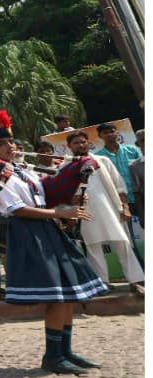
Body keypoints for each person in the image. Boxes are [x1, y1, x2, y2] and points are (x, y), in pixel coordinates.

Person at [0, 112, 106, 377]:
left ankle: (65, 350)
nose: (11, 147)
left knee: (67, 291)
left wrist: (70, 200)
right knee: (56, 294)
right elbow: (17, 209)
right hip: (28, 232)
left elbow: (45, 196)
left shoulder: (23, 170)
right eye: (3, 144)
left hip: (47, 228)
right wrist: (59, 214)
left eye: (12, 142)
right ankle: (52, 356)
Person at [67, 131, 144, 293]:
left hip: (111, 209)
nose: (80, 145)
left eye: (83, 142)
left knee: (123, 243)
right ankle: (102, 282)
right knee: (93, 248)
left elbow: (119, 186)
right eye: (76, 143)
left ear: (89, 143)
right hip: (85, 213)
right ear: (69, 146)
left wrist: (125, 206)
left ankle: (136, 280)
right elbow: (65, 194)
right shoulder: (66, 166)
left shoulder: (103, 160)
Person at [95, 122, 143, 216]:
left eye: (112, 131)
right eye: (105, 132)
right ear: (100, 136)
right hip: (118, 201)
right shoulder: (98, 157)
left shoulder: (132, 150)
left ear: (117, 133)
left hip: (141, 197)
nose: (110, 134)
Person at [129, 130, 144, 227]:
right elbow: (137, 192)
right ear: (138, 144)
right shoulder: (135, 165)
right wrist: (142, 215)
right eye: (143, 140)